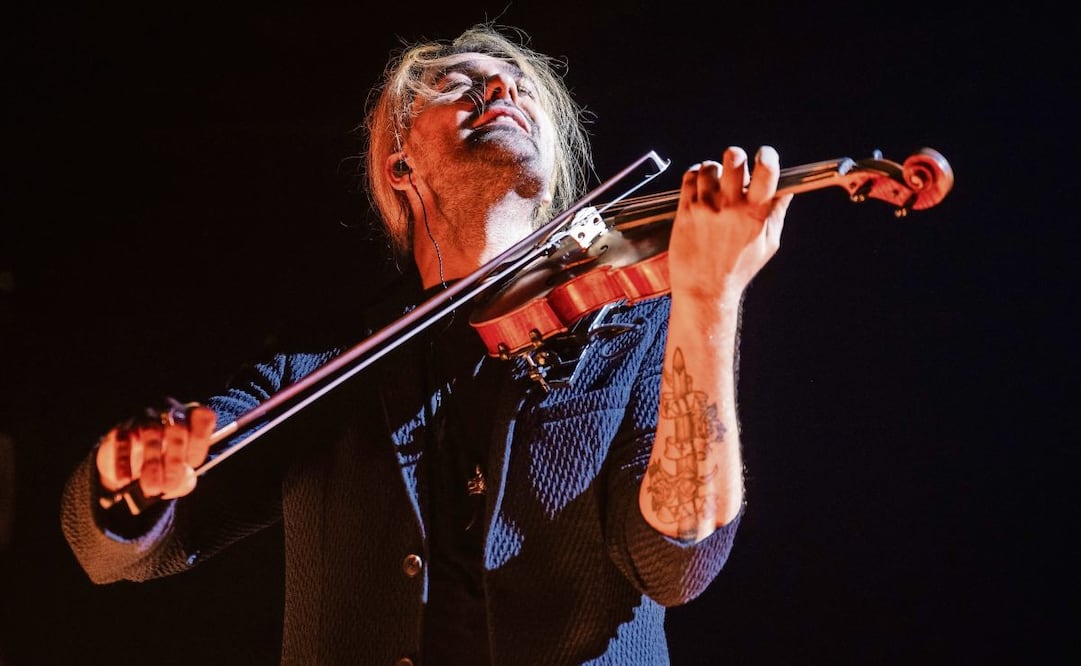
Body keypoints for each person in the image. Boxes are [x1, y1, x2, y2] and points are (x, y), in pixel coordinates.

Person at [60, 22, 792, 665]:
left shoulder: (637, 328)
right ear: (400, 164)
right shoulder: (327, 366)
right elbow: (123, 550)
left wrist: (709, 298)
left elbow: (676, 564)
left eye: (519, 88)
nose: (501, 88)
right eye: (459, 84)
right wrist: (131, 478)